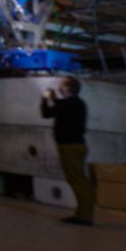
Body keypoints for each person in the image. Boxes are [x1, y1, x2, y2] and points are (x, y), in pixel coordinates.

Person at [41, 77, 95, 225]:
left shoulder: (67, 104)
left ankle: (85, 216)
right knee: (79, 179)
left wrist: (44, 99)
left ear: (67, 88)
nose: (59, 88)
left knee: (77, 180)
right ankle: (82, 213)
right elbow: (61, 106)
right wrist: (54, 98)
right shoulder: (78, 103)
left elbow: (46, 113)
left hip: (69, 147)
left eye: (61, 86)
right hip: (77, 146)